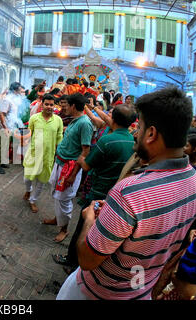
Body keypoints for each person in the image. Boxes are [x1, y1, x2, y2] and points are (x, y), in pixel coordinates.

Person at [57, 87, 196, 300]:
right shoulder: (195, 182)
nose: (135, 133)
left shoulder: (130, 192)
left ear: (151, 134)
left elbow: (87, 260)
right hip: (139, 291)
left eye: (140, 128)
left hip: (98, 292)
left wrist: (90, 220)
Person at [53, 104, 137, 272]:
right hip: (113, 192)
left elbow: (86, 165)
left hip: (98, 190)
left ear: (113, 119)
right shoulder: (131, 140)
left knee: (83, 226)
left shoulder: (107, 140)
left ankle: (72, 261)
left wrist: (80, 158)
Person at [44, 93, 93, 243]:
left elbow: (85, 151)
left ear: (73, 106)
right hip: (60, 164)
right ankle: (58, 219)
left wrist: (73, 174)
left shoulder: (85, 123)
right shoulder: (75, 120)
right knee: (56, 193)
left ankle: (64, 229)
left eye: (66, 104)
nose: (62, 107)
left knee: (64, 199)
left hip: (69, 168)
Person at [23, 94, 63, 213]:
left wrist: (58, 153)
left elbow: (59, 138)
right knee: (27, 178)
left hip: (48, 156)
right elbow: (29, 133)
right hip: (34, 153)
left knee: (41, 181)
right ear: (42, 105)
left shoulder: (58, 120)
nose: (49, 107)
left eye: (52, 104)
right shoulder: (34, 118)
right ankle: (28, 190)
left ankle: (33, 200)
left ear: (54, 106)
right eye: (47, 104)